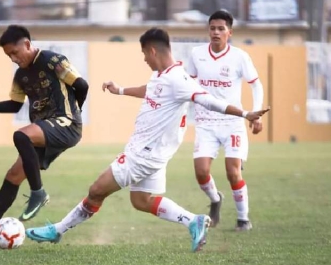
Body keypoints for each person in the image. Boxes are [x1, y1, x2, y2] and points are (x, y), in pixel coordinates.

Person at [26, 28, 269, 252]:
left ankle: (57, 230)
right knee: (141, 200)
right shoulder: (162, 75)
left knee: (96, 190)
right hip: (152, 153)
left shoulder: (180, 80)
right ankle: (193, 221)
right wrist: (120, 90)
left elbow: (209, 100)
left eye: (144, 54)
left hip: (143, 153)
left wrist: (245, 113)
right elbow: (150, 89)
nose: (144, 59)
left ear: (153, 50)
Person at [0, 25, 89, 247]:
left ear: (27, 44)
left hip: (66, 124)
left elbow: (82, 85)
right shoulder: (21, 76)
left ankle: (38, 194)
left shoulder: (53, 61)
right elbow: (13, 105)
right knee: (13, 176)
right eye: (8, 55)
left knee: (21, 136)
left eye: (15, 53)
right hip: (44, 131)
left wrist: (75, 114)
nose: (13, 58)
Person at [184, 10, 264, 231]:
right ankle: (216, 198)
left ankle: (243, 219)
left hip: (232, 124)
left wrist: (255, 113)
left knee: (233, 172)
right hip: (205, 123)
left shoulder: (240, 56)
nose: (216, 32)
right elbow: (187, 86)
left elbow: (256, 84)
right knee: (201, 171)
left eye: (221, 29)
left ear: (230, 32)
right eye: (212, 28)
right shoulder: (196, 54)